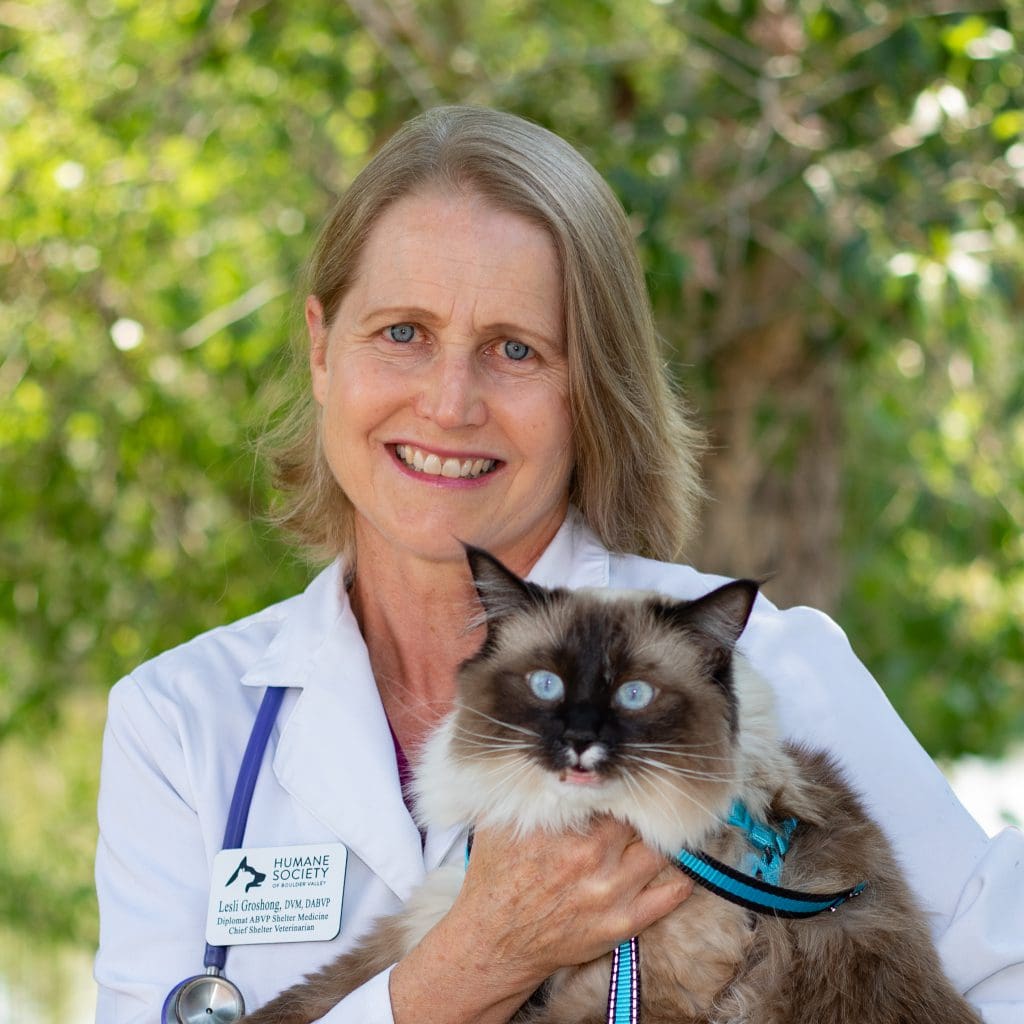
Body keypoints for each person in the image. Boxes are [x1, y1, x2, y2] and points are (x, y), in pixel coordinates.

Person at [93, 106, 1024, 1023]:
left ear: (590, 392)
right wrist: (475, 961)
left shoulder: (769, 670)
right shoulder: (182, 724)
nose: (450, 404)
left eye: (514, 349)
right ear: (321, 348)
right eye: (403, 333)